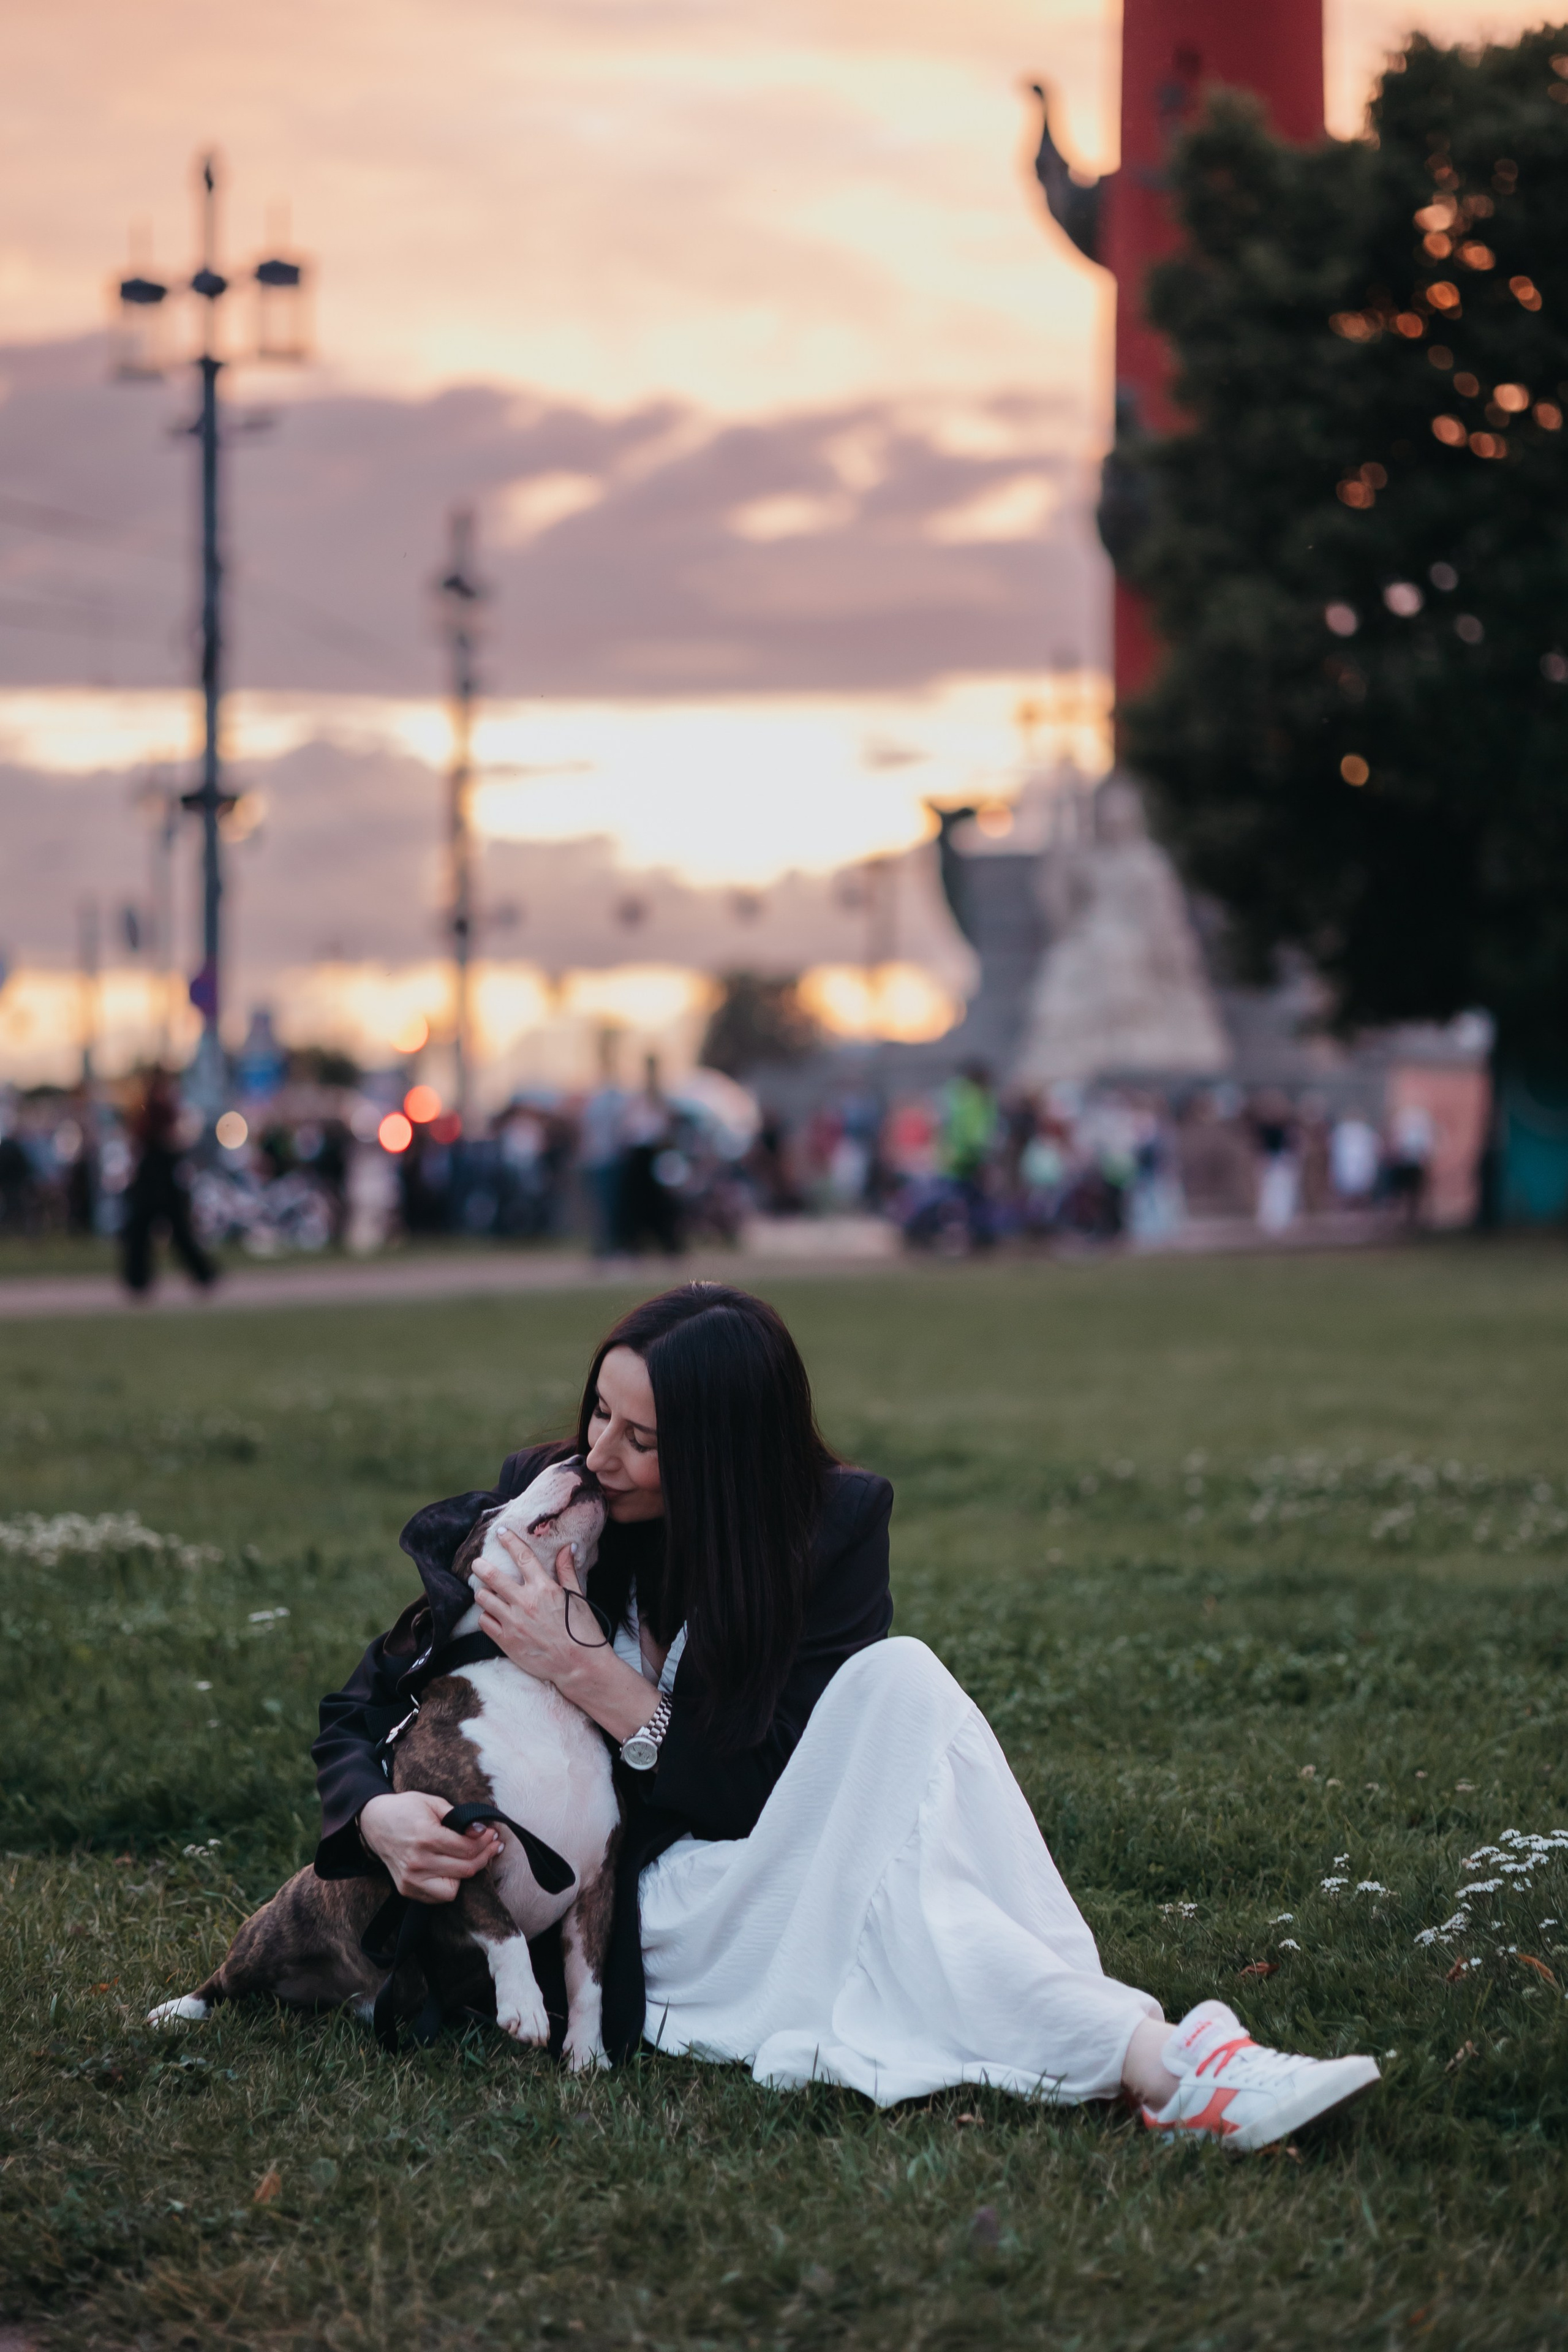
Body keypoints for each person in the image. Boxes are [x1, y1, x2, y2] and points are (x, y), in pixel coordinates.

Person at [312, 1283, 1379, 2147]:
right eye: (600, 1410)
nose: (598, 1454)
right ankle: (1171, 2062)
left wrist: (582, 1664)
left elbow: (761, 1784)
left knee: (899, 1681)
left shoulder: (831, 1529)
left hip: (776, 1847)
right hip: (641, 1903)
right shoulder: (555, 1503)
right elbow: (367, 1702)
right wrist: (375, 1820)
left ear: (725, 1454)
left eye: (644, 1440)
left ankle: (1162, 2061)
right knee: (925, 1907)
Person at [119, 1067, 218, 1296]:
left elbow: (157, 1138)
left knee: (159, 1230)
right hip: (158, 1175)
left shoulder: (156, 1107)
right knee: (149, 1230)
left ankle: (143, 1279)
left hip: (159, 1174)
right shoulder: (154, 1106)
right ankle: (141, 1279)